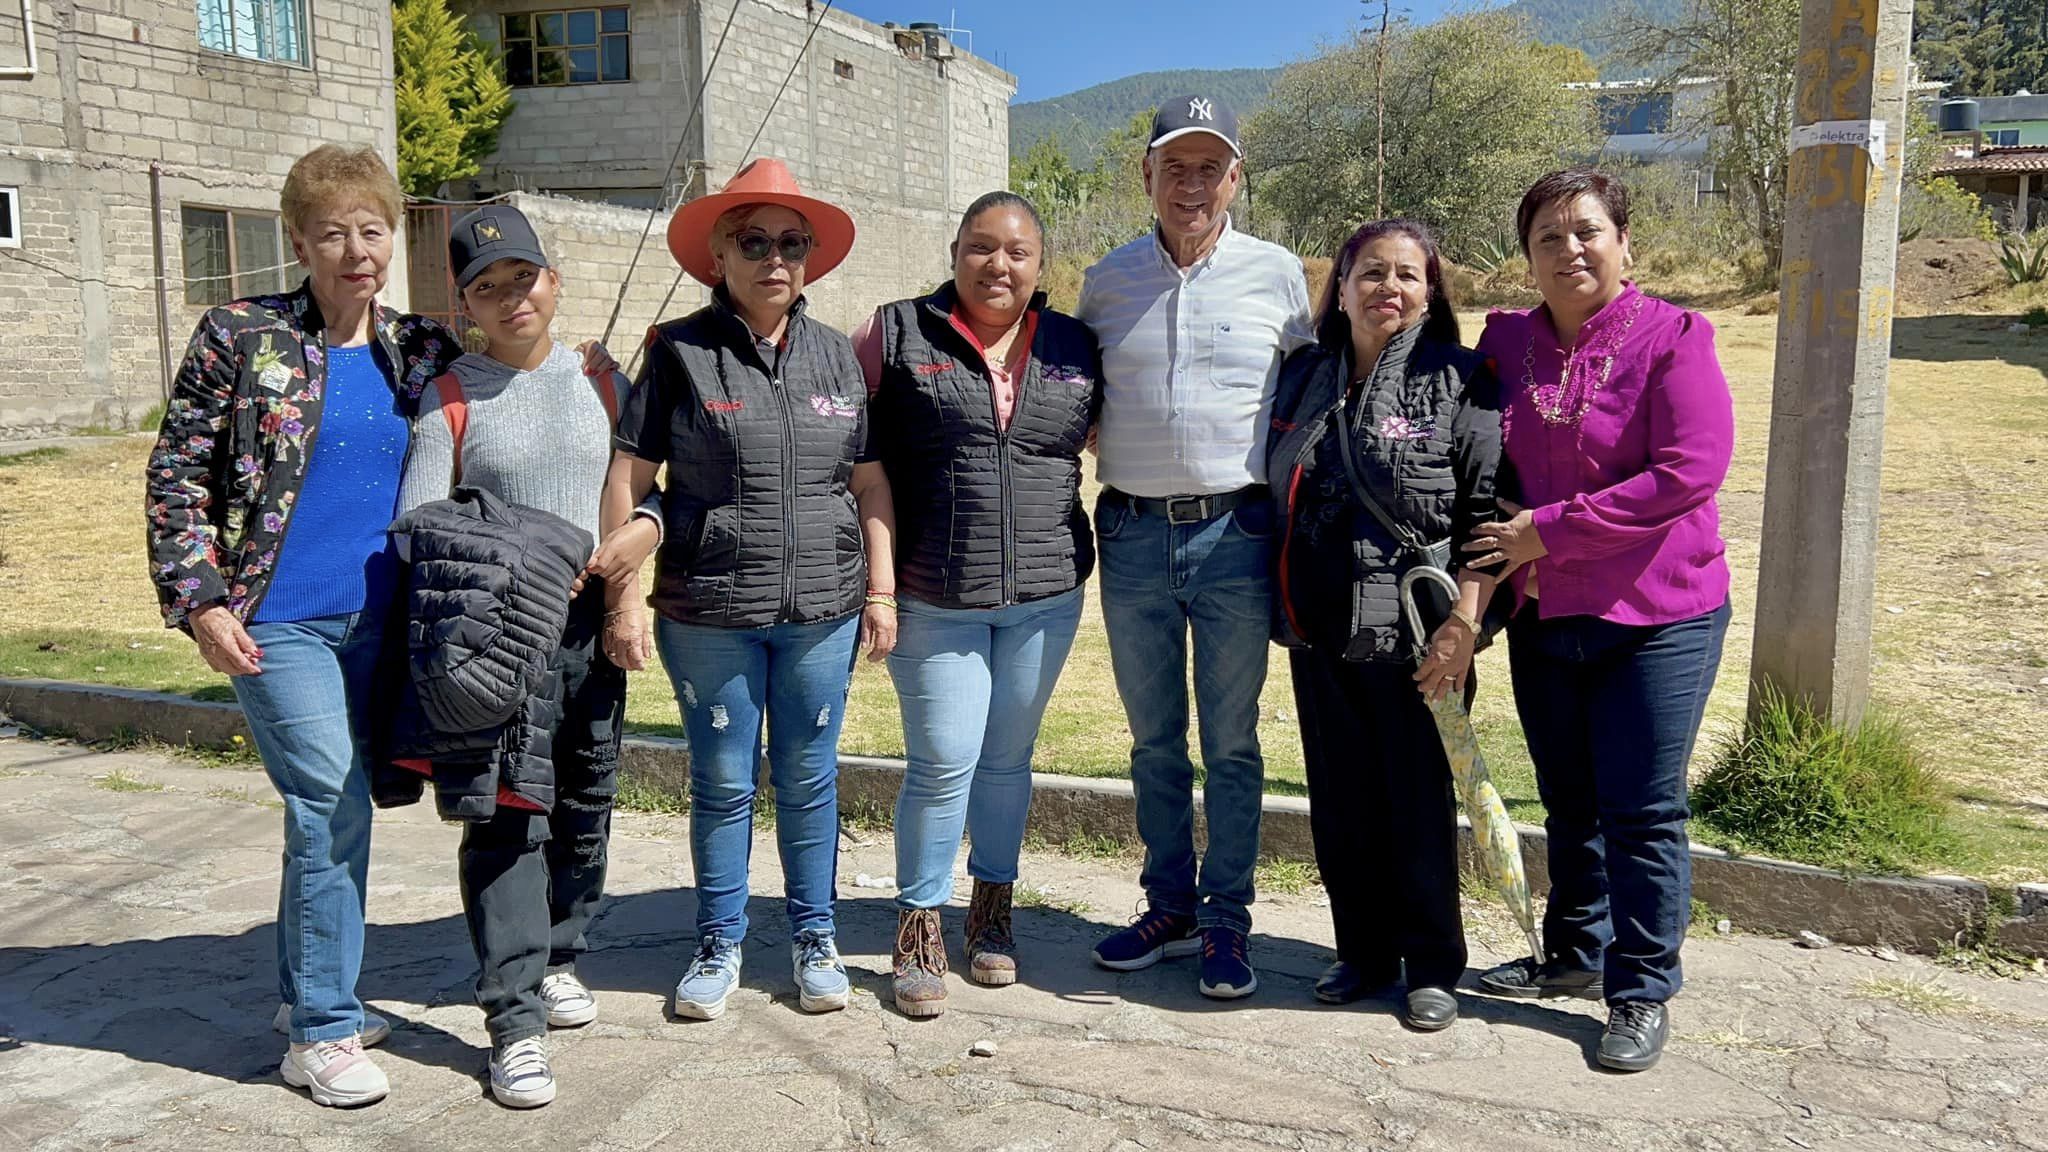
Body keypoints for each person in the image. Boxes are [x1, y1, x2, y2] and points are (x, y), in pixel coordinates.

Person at [143, 144, 461, 1107]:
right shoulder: (242, 337)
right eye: (334, 233)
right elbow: (176, 474)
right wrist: (200, 600)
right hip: (274, 620)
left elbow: (496, 393)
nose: (356, 250)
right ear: (298, 241)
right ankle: (324, 1030)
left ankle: (300, 994)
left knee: (325, 813)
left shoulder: (420, 349)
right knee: (331, 803)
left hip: (382, 621)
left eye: (372, 230)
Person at [600, 158, 896, 1023]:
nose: (776, 257)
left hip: (822, 612)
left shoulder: (839, 355)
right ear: (719, 256)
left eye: (792, 243)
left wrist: (879, 592)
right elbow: (630, 474)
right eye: (755, 241)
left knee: (810, 777)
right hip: (711, 612)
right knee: (724, 782)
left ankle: (814, 939)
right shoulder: (679, 351)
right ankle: (719, 940)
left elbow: (870, 482)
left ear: (809, 257)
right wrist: (624, 597)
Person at [393, 205, 660, 1108]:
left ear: (554, 282)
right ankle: (512, 1021)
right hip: (500, 635)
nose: (512, 299)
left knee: (587, 796)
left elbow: (644, 494)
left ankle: (557, 955)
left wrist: (634, 575)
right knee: (509, 817)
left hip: (590, 626)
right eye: (487, 287)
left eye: (525, 279)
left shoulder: (600, 379)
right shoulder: (452, 396)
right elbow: (421, 526)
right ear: (465, 304)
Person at [1469, 168, 1734, 1073]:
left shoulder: (1674, 339)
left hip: (1657, 612)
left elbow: (1688, 474)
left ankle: (1641, 987)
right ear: (1528, 256)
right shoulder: (1506, 342)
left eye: (1587, 231)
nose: (1569, 249)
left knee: (1642, 809)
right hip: (1548, 617)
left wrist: (1544, 530)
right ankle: (1575, 956)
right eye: (1548, 236)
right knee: (1569, 799)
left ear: (1624, 242)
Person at [1078, 95, 1314, 1000]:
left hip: (1235, 536)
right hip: (1133, 534)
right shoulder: (1108, 281)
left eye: (1210, 167)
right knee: (1153, 741)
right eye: (1175, 166)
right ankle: (1168, 905)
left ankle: (1227, 921)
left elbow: (1313, 384)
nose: (1192, 184)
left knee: (1233, 744)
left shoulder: (1277, 273)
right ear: (1146, 176)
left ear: (1236, 180)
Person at [850, 191, 1101, 1017]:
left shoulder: (1074, 345)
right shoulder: (894, 333)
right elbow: (858, 465)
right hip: (934, 595)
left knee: (1006, 762)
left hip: (1046, 593)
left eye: (1018, 251)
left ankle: (991, 913)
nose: (999, 265)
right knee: (943, 760)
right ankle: (919, 923)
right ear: (955, 251)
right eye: (981, 247)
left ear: (1042, 264)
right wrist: (877, 586)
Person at [1267, 219, 1503, 1031]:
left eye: (1407, 275)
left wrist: (1464, 627)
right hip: (1320, 626)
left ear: (1431, 291)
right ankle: (1362, 952)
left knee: (1416, 801)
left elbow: (1487, 517)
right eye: (1371, 273)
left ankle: (1433, 962)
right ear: (1340, 287)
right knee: (1341, 800)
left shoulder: (1463, 379)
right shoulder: (1304, 377)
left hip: (1420, 635)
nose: (1388, 290)